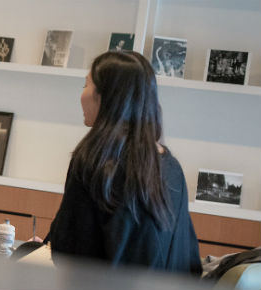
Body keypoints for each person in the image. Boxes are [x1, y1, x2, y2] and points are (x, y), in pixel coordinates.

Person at [42, 51, 201, 274]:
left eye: (85, 85)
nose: (82, 95)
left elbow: (69, 251)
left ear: (105, 97)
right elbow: (188, 258)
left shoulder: (94, 160)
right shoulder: (171, 167)